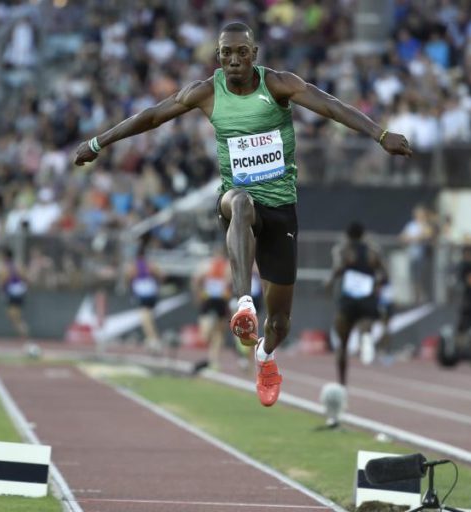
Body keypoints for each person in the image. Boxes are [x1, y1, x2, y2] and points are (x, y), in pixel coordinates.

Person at [74, 22, 412, 406]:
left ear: (254, 55)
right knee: (240, 202)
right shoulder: (206, 92)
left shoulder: (279, 85)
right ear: (218, 57)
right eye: (226, 53)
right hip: (237, 202)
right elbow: (152, 116)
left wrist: (380, 135)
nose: (234, 60)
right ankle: (244, 304)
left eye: (241, 52)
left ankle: (265, 356)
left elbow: (333, 106)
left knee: (280, 323)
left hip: (281, 208)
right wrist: (98, 142)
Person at [325, 222, 388, 386]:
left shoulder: (342, 250)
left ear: (347, 235)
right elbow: (385, 276)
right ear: (363, 235)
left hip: (348, 299)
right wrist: (374, 284)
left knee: (342, 344)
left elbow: (337, 268)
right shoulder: (373, 252)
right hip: (367, 298)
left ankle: (342, 383)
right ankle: (366, 336)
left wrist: (329, 282)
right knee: (367, 321)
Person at [192, 247, 231, 371]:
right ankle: (212, 354)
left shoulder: (228, 266)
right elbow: (196, 280)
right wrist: (198, 293)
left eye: (221, 255)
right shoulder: (206, 265)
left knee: (219, 332)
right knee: (205, 335)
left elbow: (232, 283)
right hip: (207, 300)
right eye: (217, 254)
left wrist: (229, 296)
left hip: (221, 301)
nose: (218, 257)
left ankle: (214, 359)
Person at [127, 243, 163, 353]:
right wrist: (157, 283)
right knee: (148, 318)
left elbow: (129, 276)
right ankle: (151, 340)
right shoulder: (150, 264)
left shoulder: (134, 265)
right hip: (151, 293)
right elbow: (161, 275)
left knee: (145, 318)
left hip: (144, 294)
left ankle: (154, 340)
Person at [0, 248, 30, 341]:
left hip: (12, 292)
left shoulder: (5, 267)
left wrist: (2, 291)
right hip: (20, 291)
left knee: (13, 315)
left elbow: (3, 280)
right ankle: (23, 332)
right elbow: (25, 278)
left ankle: (24, 334)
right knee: (16, 315)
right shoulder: (18, 265)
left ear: (5, 256)